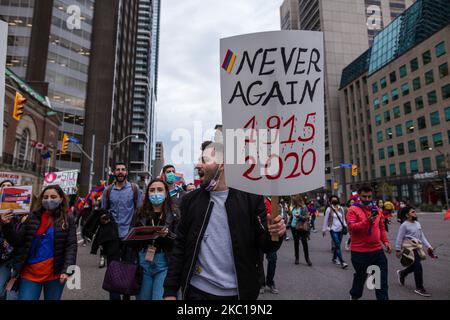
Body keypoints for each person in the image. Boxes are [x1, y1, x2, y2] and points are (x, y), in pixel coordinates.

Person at [163, 142, 285, 300]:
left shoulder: (251, 198)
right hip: (197, 292)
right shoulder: (190, 201)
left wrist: (275, 233)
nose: (198, 164)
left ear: (222, 164)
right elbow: (180, 246)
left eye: (204, 160)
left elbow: (266, 246)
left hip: (238, 294)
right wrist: (170, 291)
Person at [0, 185, 77, 300]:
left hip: (55, 274)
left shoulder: (67, 219)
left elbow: (71, 246)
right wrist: (6, 225)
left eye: (53, 196)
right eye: (45, 197)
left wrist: (67, 270)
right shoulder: (32, 217)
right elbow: (17, 241)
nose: (49, 200)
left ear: (61, 199)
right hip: (29, 273)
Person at [129, 179, 178, 300]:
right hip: (143, 261)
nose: (156, 193)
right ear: (147, 193)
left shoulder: (174, 213)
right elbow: (129, 239)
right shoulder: (139, 213)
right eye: (152, 190)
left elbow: (179, 240)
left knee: (159, 297)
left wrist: (168, 235)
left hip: (164, 263)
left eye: (160, 190)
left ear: (166, 193)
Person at [101, 162, 143, 300]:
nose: (120, 172)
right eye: (117, 169)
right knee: (113, 271)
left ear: (126, 173)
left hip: (129, 237)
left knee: (128, 271)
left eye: (123, 170)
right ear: (114, 172)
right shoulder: (107, 191)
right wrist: (103, 219)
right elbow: (103, 211)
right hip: (112, 237)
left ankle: (126, 297)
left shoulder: (135, 189)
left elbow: (140, 212)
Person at [347, 185, 392, 300]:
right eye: (364, 196)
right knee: (361, 277)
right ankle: (354, 295)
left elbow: (381, 227)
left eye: (369, 196)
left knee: (381, 283)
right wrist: (367, 222)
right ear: (359, 196)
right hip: (360, 253)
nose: (367, 199)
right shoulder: (353, 210)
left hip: (377, 252)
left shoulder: (376, 209)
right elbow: (352, 228)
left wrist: (385, 242)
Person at [395, 206, 434, 297]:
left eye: (414, 212)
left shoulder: (417, 223)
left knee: (414, 266)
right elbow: (399, 238)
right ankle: (419, 288)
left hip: (417, 247)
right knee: (418, 266)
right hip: (409, 248)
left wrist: (429, 246)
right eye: (413, 212)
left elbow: (422, 236)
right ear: (407, 215)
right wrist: (397, 250)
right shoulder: (404, 225)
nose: (415, 213)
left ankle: (402, 273)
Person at [322, 195, 348, 269]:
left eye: (335, 200)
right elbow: (326, 220)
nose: (334, 201)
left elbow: (343, 219)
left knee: (338, 245)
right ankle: (342, 262)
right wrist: (324, 230)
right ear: (330, 201)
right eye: (333, 200)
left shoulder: (341, 209)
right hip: (333, 229)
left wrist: (345, 226)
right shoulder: (328, 209)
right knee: (337, 244)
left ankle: (334, 258)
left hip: (340, 229)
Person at [290, 195, 312, 266]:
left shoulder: (303, 207)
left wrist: (299, 216)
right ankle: (297, 258)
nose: (292, 202)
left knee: (304, 243)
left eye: (293, 201)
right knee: (296, 243)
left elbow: (306, 218)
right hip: (293, 227)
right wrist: (288, 224)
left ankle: (307, 259)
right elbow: (291, 217)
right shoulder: (293, 208)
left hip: (301, 227)